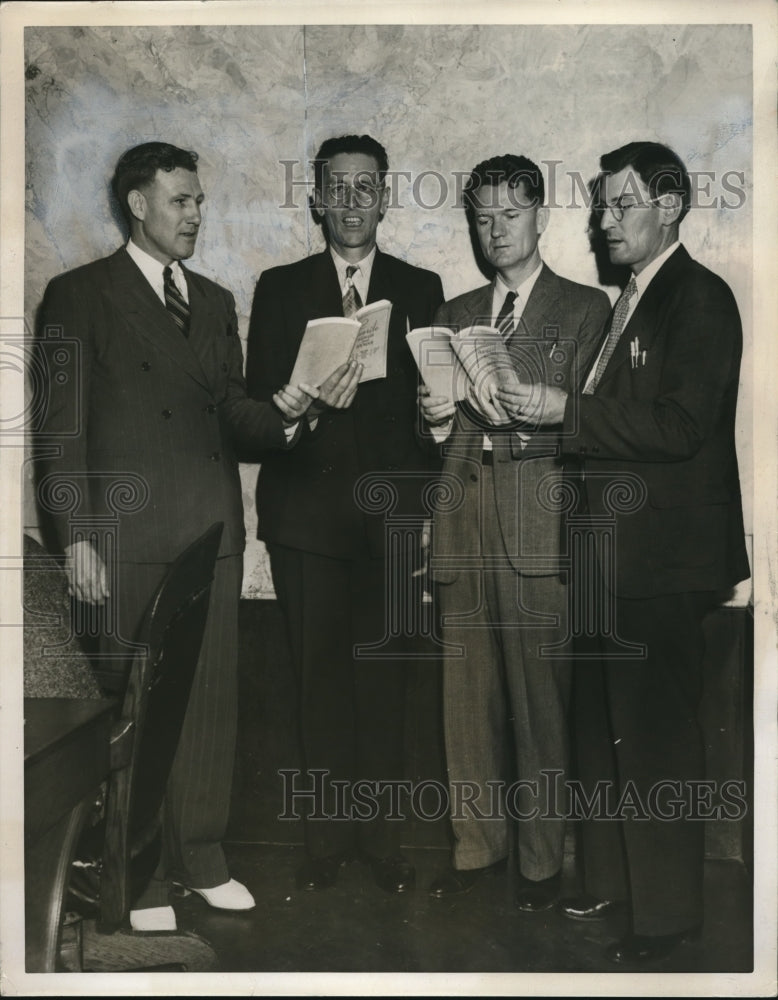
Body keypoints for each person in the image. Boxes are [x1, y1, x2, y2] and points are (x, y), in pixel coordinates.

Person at [34, 141, 345, 931]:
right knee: (137, 712)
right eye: (180, 200)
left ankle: (200, 859)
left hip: (210, 533)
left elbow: (236, 419)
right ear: (137, 205)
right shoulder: (79, 296)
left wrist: (298, 404)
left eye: (200, 201)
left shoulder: (212, 302)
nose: (196, 214)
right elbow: (58, 432)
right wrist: (74, 537)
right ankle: (133, 879)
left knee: (209, 709)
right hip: (122, 541)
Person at [496, 141, 749, 963]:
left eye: (621, 204)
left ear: (669, 207)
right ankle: (612, 885)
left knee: (654, 743)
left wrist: (560, 406)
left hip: (663, 563)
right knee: (607, 732)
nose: (604, 220)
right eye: (602, 205)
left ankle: (668, 920)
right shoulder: (635, 297)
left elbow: (680, 427)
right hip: (615, 559)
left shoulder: (698, 299)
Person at [245, 133, 444, 894]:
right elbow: (259, 401)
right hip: (305, 523)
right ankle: (326, 844)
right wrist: (296, 406)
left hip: (392, 526)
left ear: (384, 199)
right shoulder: (281, 285)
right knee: (318, 687)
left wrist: (436, 422)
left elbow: (435, 419)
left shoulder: (421, 287)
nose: (354, 202)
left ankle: (385, 844)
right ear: (317, 199)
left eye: (368, 187)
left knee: (386, 687)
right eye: (340, 187)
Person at [419, 154, 610, 910]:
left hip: (541, 531)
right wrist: (433, 418)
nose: (495, 230)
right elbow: (436, 431)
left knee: (541, 709)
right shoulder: (453, 310)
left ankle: (538, 865)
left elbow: (598, 427)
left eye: (510, 214)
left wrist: (541, 408)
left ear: (540, 217)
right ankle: (476, 852)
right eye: (483, 216)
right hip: (462, 528)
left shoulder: (586, 308)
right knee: (464, 706)